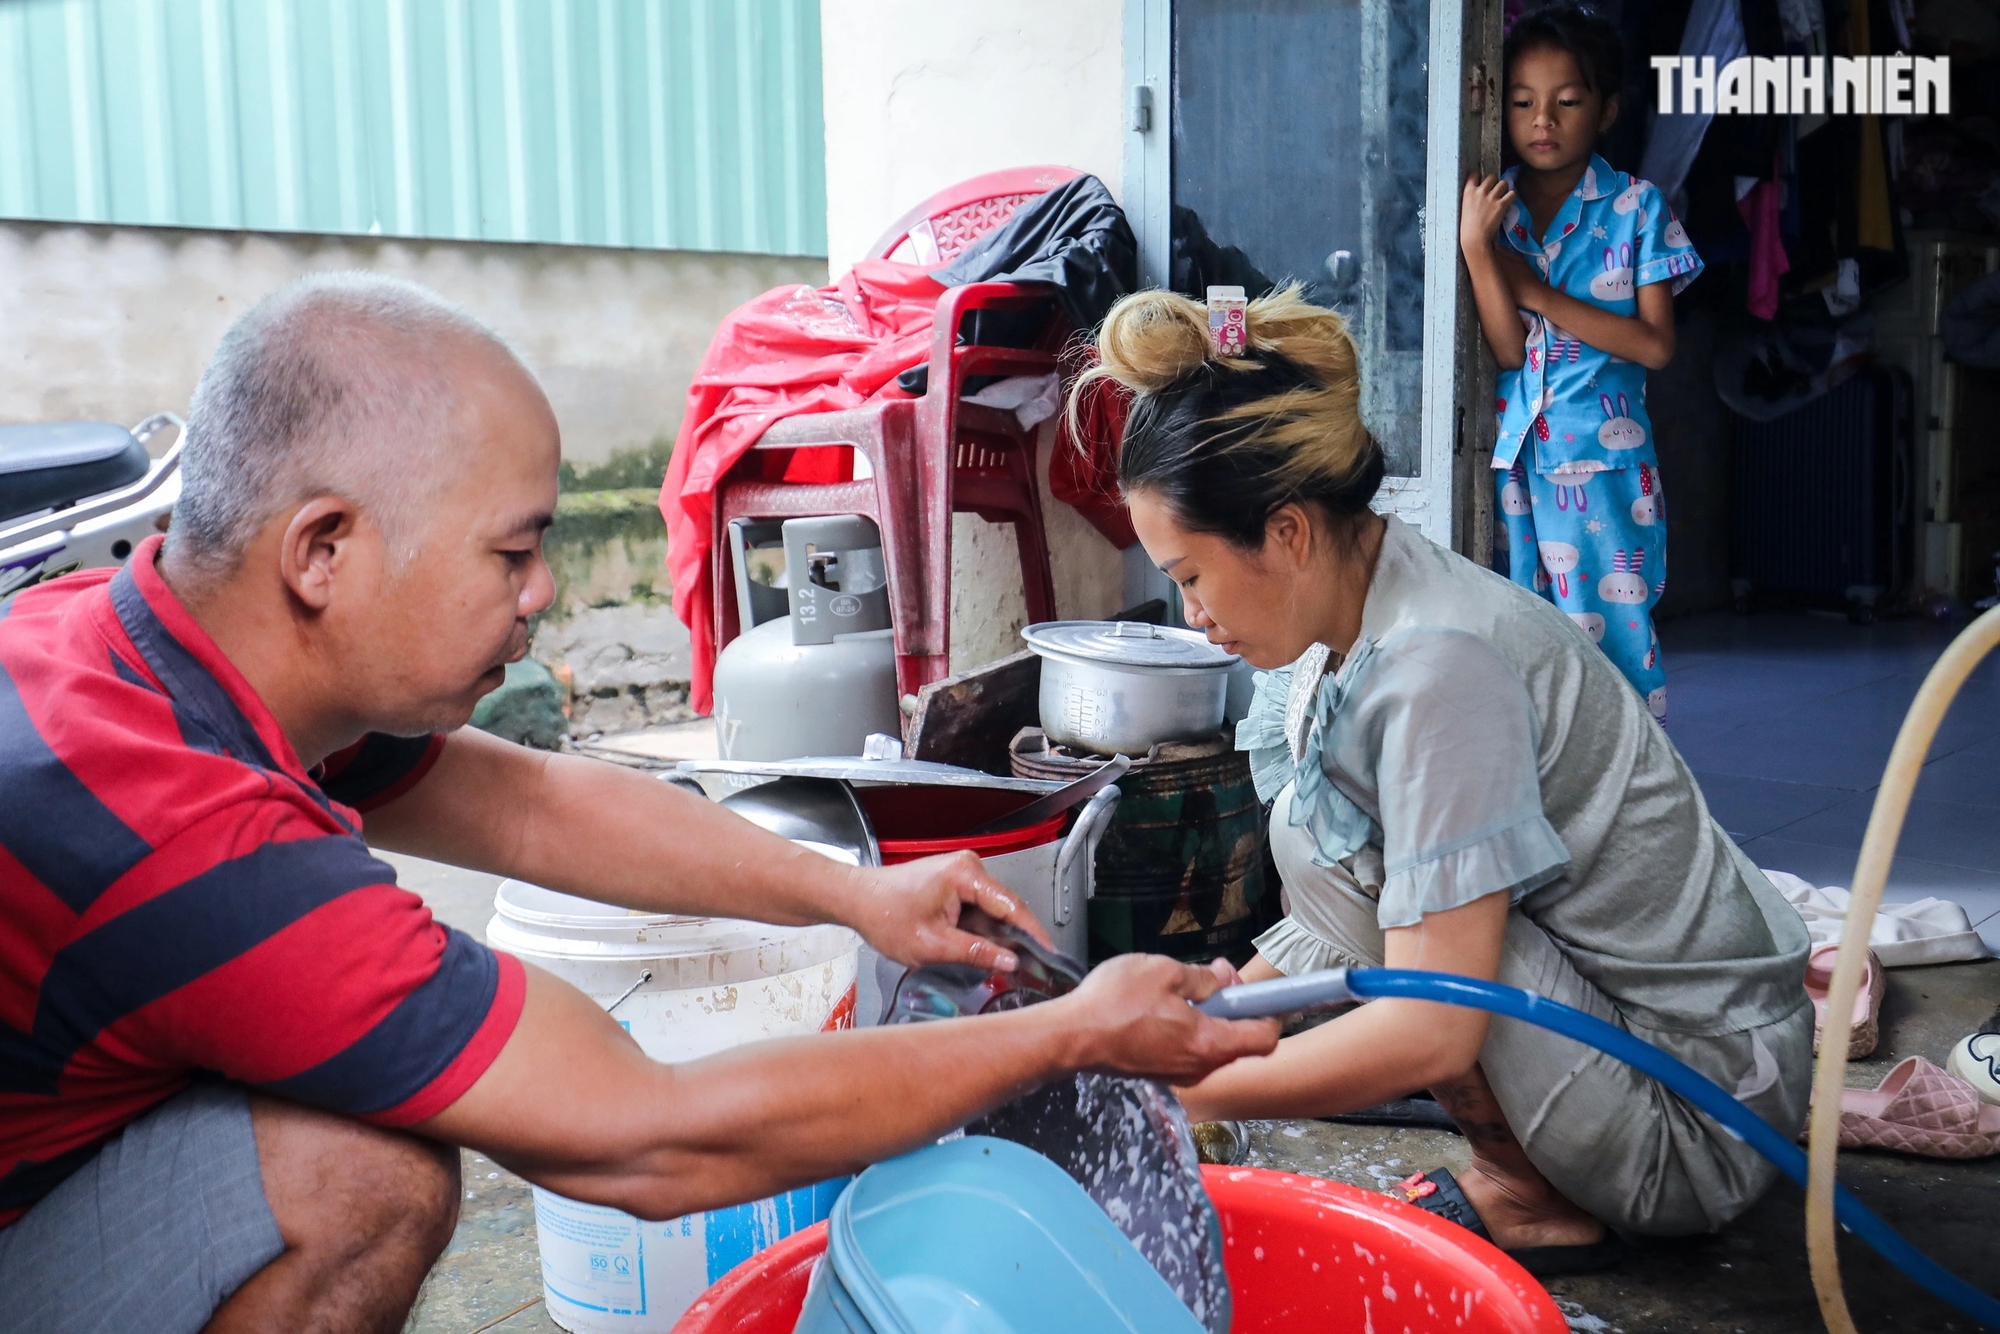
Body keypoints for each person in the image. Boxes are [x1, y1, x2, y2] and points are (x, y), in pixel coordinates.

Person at [0, 274, 1280, 1334]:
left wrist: (860, 894)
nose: (544, 590)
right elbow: (643, 1138)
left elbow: (533, 806)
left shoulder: (154, 638)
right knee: (369, 1174)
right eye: (512, 549)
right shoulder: (188, 832)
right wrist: (1070, 1033)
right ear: (323, 549)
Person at [1069, 285, 1811, 1276]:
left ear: (1287, 532)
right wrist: (1211, 1012)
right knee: (1339, 844)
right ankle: (1526, 1174)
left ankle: (1536, 1194)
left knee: (1434, 926)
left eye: (1191, 573)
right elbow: (1345, 900)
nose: (1189, 609)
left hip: (1698, 1110)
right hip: (1625, 1043)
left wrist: (1182, 1092)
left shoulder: (1436, 666)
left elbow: (1433, 1016)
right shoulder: (1347, 620)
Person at [1458, 0, 1703, 720]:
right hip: (1518, 465)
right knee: (1522, 643)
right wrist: (1479, 250)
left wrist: (1535, 288)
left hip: (1603, 471)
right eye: (1525, 102)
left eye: (1567, 102)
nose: (1543, 121)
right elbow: (1509, 352)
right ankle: (1553, 803)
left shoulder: (1637, 208)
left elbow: (1656, 344)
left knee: (1616, 647)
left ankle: (1631, 805)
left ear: (1606, 109)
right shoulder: (1494, 208)